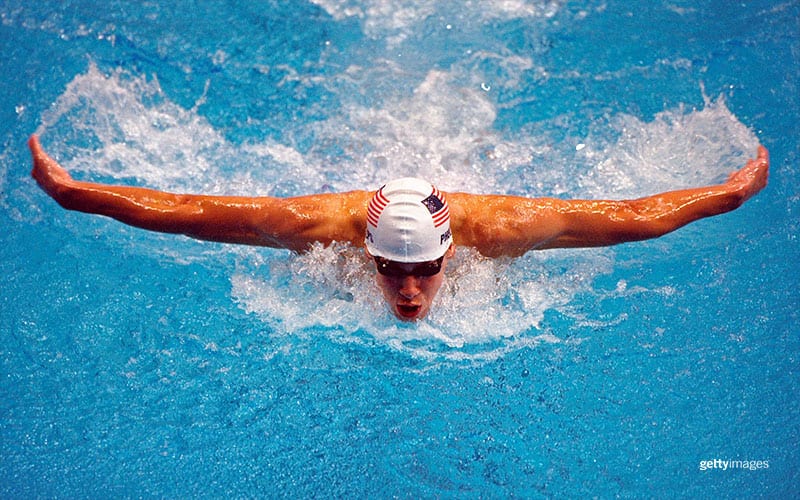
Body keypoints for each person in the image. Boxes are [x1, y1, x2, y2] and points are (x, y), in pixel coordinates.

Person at [28, 134, 769, 321]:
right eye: (389, 270)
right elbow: (191, 212)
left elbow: (630, 219)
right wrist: (77, 194)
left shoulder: (501, 229)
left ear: (453, 250)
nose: (409, 292)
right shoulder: (315, 226)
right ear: (364, 250)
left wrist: (727, 197)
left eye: (423, 271)